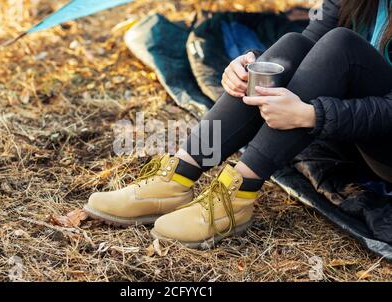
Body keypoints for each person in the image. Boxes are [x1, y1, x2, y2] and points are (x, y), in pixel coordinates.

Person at [84, 0, 392, 249]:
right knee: (292, 44)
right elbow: (309, 49)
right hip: (355, 131)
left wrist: (313, 115)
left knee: (342, 44)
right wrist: (252, 67)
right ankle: (178, 175)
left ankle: (237, 196)